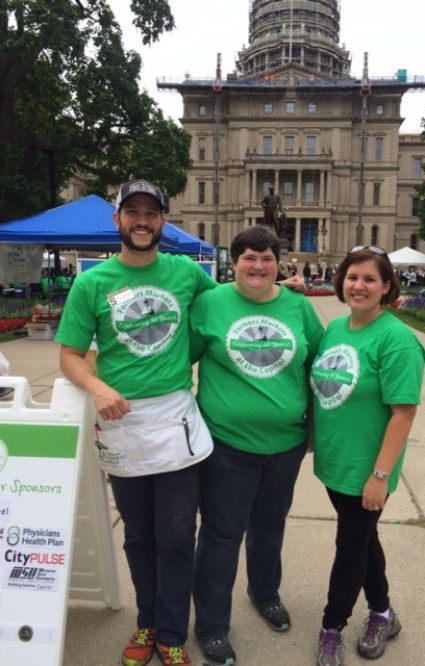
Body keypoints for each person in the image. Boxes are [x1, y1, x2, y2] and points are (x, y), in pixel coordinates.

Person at [55, 179, 216, 666]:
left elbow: (229, 308)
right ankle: (146, 624)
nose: (142, 220)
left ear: (163, 221)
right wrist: (98, 386)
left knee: (175, 536)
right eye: (133, 211)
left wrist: (277, 289)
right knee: (139, 537)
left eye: (151, 212)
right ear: (117, 220)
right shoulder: (92, 284)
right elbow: (69, 356)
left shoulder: (186, 273)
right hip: (122, 427)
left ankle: (171, 633)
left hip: (174, 425)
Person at [189, 226, 324, 666]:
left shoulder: (298, 307)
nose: (258, 266)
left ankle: (264, 594)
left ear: (279, 264)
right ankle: (211, 625)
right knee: (221, 536)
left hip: (285, 446)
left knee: (269, 527)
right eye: (249, 257)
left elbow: (320, 367)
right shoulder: (210, 304)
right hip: (227, 446)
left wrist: (316, 429)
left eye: (266, 258)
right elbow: (175, 358)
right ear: (235, 262)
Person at [309, 246, 425, 666]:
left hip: (368, 469)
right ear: (341, 281)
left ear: (387, 287)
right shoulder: (337, 329)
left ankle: (331, 627)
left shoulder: (396, 340)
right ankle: (383, 612)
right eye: (352, 277)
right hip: (335, 464)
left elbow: (404, 412)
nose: (359, 285)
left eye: (369, 279)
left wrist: (379, 475)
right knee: (364, 540)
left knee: (350, 547)